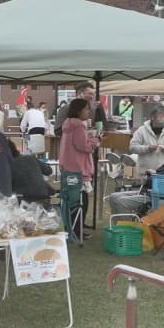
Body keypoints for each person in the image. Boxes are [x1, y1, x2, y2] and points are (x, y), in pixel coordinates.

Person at [109, 140, 164, 216]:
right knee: (113, 197)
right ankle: (117, 225)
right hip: (149, 191)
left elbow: (161, 179)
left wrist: (150, 177)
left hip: (157, 197)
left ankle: (126, 228)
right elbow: (159, 173)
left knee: (121, 201)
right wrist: (151, 174)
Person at [58, 98, 101, 238]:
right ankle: (77, 230)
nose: (89, 111)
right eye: (87, 109)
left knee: (70, 199)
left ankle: (70, 228)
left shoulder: (68, 123)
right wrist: (96, 140)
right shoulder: (78, 125)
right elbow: (84, 146)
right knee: (80, 200)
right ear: (78, 111)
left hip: (68, 166)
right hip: (78, 168)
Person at [130, 105, 164, 176]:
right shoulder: (142, 130)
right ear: (152, 118)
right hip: (145, 172)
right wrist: (147, 148)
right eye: (160, 118)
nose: (162, 120)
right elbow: (132, 148)